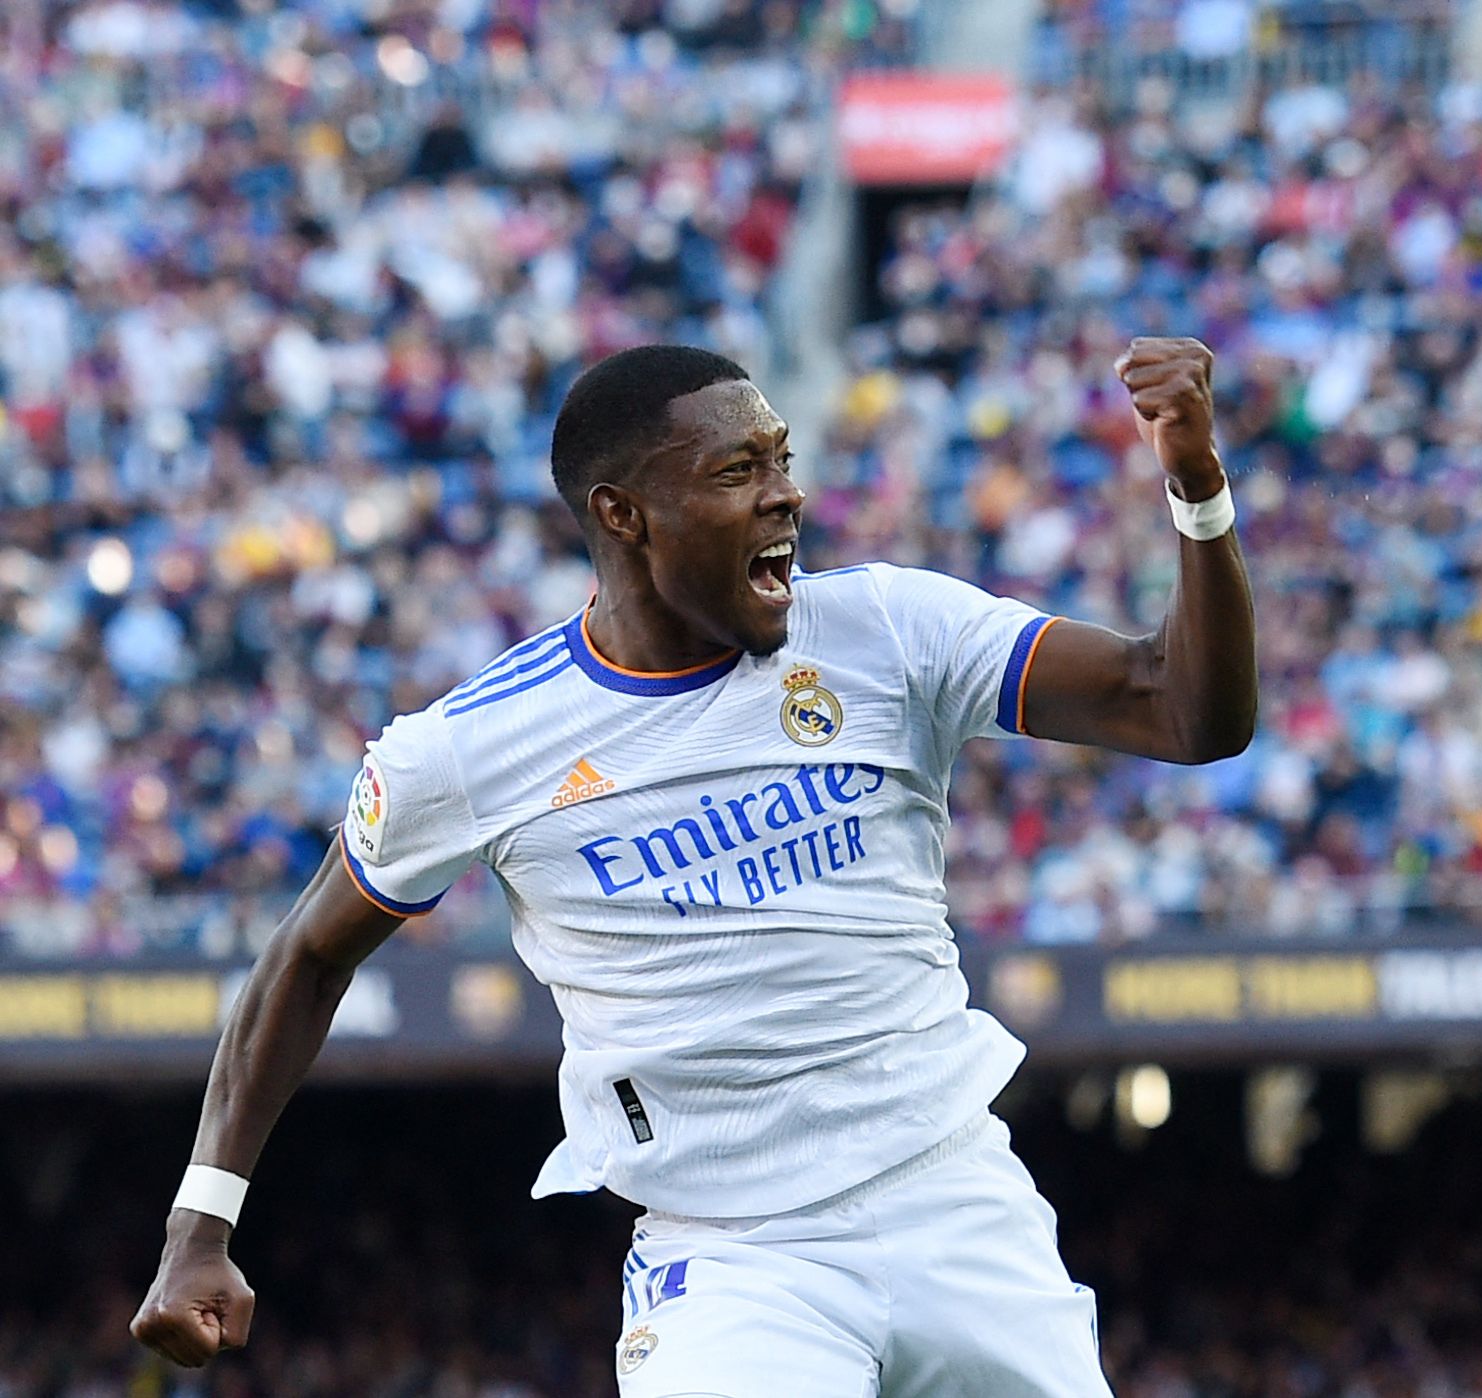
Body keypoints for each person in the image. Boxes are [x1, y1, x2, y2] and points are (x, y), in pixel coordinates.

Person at [129, 338, 1258, 1395]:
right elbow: (306, 959)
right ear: (625, 515)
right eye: (737, 470)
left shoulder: (888, 629)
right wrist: (201, 1224)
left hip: (955, 1198)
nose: (786, 495)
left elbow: (1186, 712)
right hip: (733, 1262)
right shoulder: (472, 748)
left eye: (782, 460)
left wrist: (1196, 490)